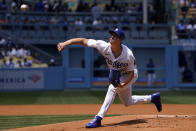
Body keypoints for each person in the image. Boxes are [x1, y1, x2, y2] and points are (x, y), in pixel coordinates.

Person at [57, 28, 162, 128]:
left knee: (113, 88)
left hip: (130, 75)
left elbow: (131, 72)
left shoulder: (128, 54)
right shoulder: (104, 46)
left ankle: (98, 118)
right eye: (112, 35)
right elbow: (83, 41)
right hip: (118, 74)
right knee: (127, 102)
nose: (112, 37)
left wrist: (123, 84)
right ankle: (153, 98)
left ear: (121, 40)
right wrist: (65, 43)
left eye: (115, 36)